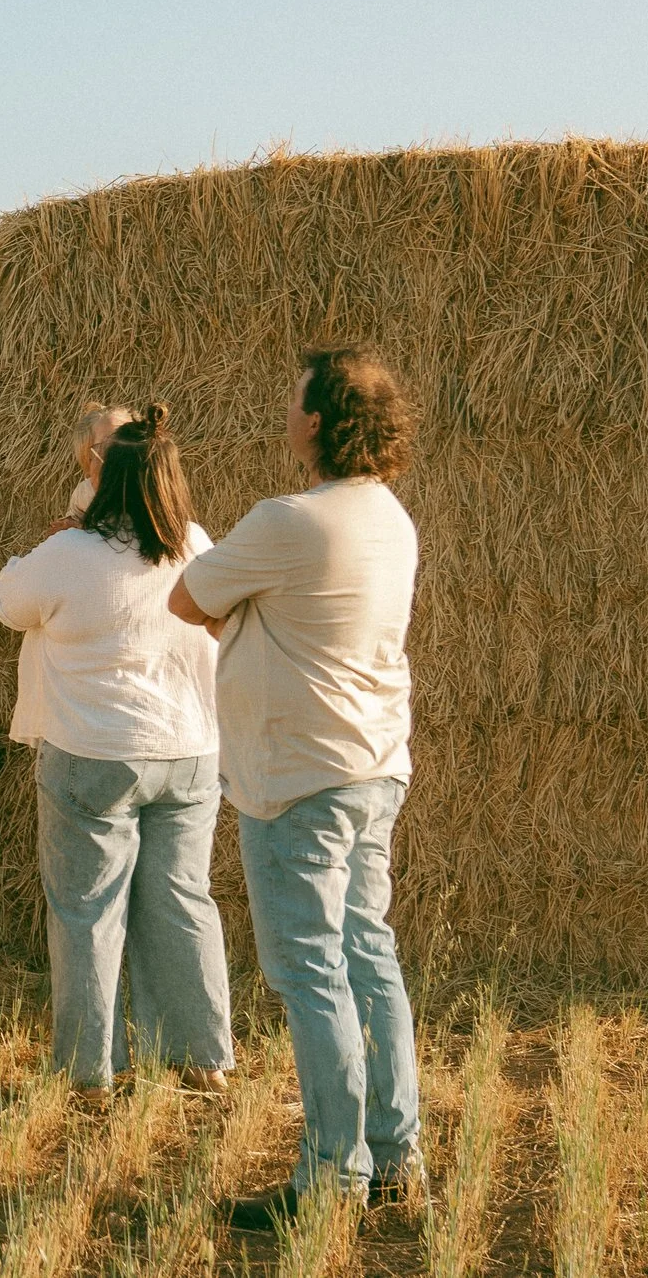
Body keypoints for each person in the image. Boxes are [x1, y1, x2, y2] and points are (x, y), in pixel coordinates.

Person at [169, 348, 424, 1230]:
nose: (283, 410)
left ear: (317, 419)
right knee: (370, 956)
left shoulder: (288, 520)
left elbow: (187, 599)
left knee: (313, 972)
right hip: (374, 765)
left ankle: (331, 1175)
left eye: (293, 399)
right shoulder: (393, 518)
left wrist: (245, 608)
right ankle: (396, 1157)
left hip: (297, 774)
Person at [0, 405, 232, 1097]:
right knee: (183, 898)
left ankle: (90, 1071)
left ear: (103, 479)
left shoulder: (69, 553)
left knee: (88, 908)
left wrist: (37, 549)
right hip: (189, 753)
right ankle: (201, 1057)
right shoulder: (194, 542)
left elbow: (7, 599)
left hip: (94, 754)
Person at [66, 403, 137, 518]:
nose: (125, 448)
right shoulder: (85, 495)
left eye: (130, 437)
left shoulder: (159, 484)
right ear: (88, 460)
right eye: (109, 446)